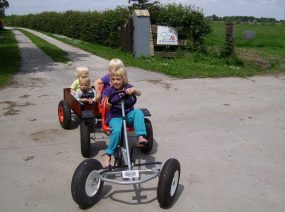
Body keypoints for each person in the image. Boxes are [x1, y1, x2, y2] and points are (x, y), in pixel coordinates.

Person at [102, 67, 148, 168]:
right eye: (113, 79)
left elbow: (139, 93)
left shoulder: (128, 87)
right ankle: (108, 154)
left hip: (127, 115)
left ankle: (141, 136)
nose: (115, 81)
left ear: (124, 79)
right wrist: (107, 103)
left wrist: (134, 90)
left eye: (118, 79)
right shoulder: (110, 90)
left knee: (138, 112)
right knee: (117, 131)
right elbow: (103, 100)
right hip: (115, 116)